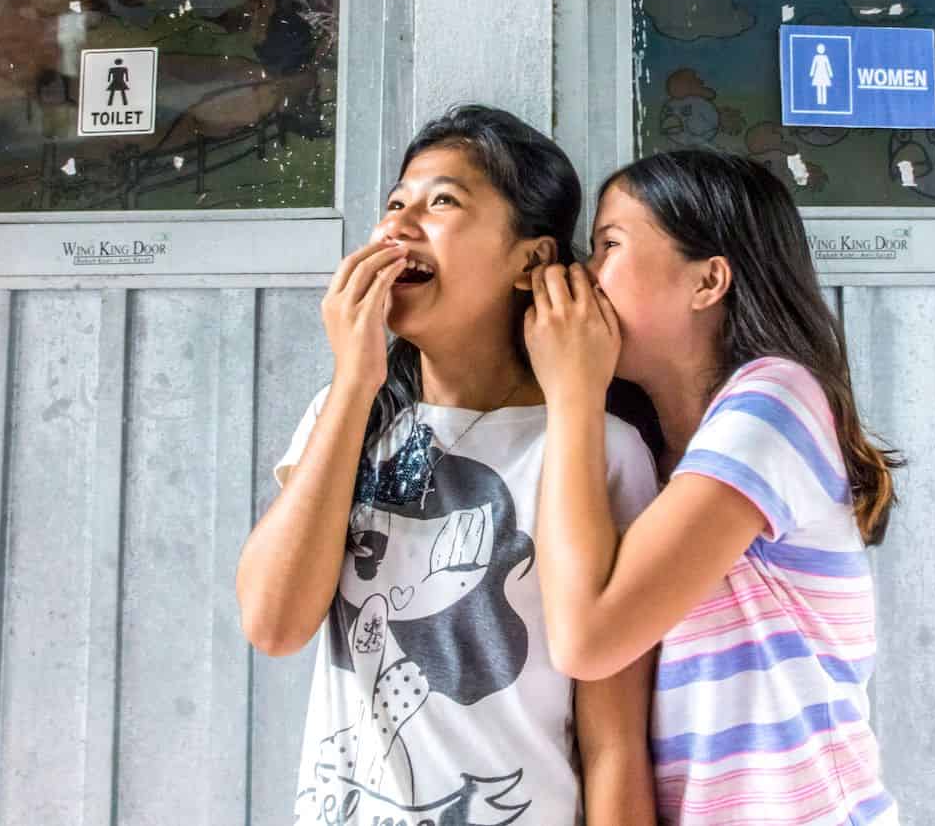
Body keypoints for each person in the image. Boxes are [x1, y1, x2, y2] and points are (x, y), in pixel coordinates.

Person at [236, 105, 660, 824]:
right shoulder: (347, 417)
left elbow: (613, 739)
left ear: (532, 262)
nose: (398, 226)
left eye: (441, 203)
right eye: (395, 203)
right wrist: (352, 381)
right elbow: (273, 625)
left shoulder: (597, 446)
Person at [525, 149, 901, 825]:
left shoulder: (776, 402)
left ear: (708, 280)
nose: (583, 276)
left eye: (609, 245)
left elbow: (587, 637)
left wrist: (572, 390)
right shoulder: (646, 458)